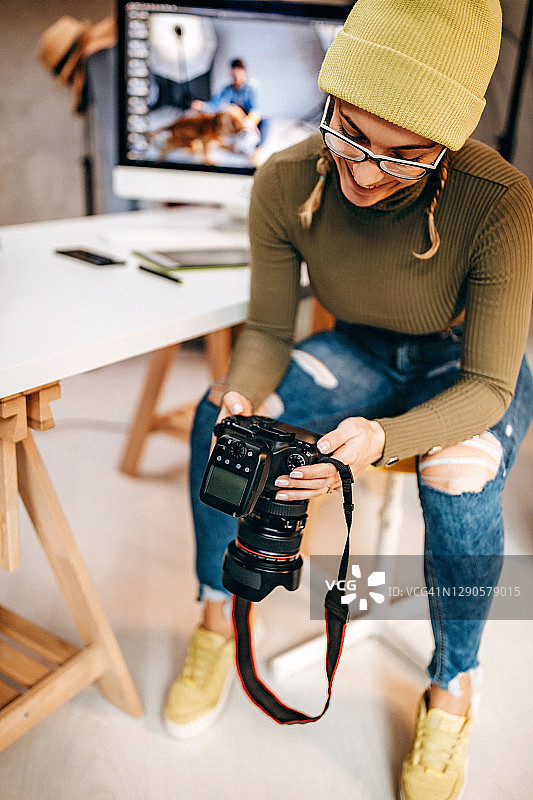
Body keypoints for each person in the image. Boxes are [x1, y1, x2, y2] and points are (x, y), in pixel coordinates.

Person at [165, 2, 533, 798]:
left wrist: (384, 436)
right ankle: (213, 618)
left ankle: (453, 687)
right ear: (330, 97)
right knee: (216, 417)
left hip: (460, 367)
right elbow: (266, 329)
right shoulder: (286, 179)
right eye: (351, 133)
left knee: (457, 477)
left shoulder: (498, 200)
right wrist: (244, 390)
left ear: (449, 144)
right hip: (359, 348)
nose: (366, 171)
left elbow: (488, 388)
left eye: (405, 156)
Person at [191, 58, 265, 153]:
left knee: (265, 122)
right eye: (233, 76)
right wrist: (203, 106)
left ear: (244, 72)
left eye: (238, 75)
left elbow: (256, 110)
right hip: (236, 120)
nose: (235, 79)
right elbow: (215, 104)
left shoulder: (253, 87)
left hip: (250, 119)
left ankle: (259, 148)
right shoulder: (228, 88)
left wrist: (248, 123)